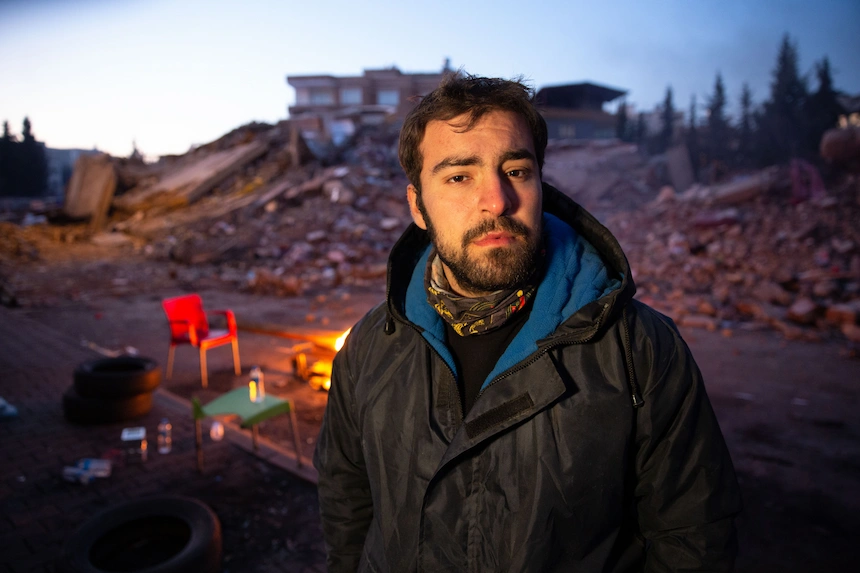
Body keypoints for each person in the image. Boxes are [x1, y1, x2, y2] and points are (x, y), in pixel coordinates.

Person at [314, 73, 742, 572]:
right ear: (418, 207)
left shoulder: (640, 349)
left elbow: (693, 538)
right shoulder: (369, 348)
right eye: (459, 177)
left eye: (516, 171)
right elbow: (347, 505)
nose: (497, 201)